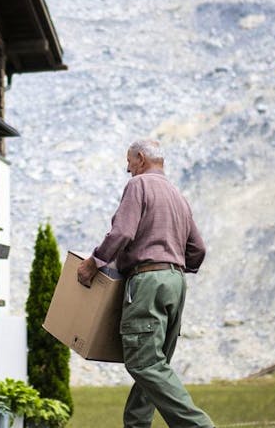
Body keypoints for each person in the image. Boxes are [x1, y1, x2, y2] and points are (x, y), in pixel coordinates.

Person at [77, 139, 214, 428]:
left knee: (144, 364)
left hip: (148, 281)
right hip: (175, 283)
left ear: (140, 158)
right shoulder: (178, 195)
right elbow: (198, 249)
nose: (127, 169)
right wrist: (171, 265)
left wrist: (94, 262)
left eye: (128, 162)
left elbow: (122, 232)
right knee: (154, 363)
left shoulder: (138, 186)